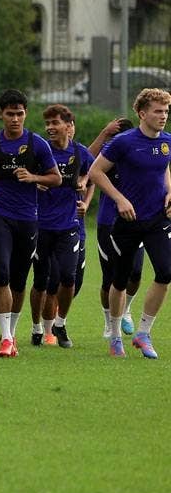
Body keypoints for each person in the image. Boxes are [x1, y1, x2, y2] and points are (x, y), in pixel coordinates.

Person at [0, 89, 60, 358]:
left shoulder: (37, 144)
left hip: (29, 219)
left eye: (19, 114)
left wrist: (33, 177)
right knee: (1, 274)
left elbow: (56, 178)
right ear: (1, 115)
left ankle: (12, 332)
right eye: (10, 114)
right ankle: (5, 338)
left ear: (25, 114)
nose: (15, 119)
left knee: (19, 281)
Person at [87, 88, 171, 359]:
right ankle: (114, 336)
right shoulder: (123, 142)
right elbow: (95, 172)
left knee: (166, 272)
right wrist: (119, 199)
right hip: (126, 220)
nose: (163, 116)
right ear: (142, 113)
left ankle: (144, 334)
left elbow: (164, 170)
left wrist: (170, 192)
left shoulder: (167, 142)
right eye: (158, 111)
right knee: (120, 280)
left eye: (166, 111)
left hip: (157, 219)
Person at [28, 105, 93, 348]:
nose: (50, 128)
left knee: (68, 277)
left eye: (55, 123)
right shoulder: (40, 151)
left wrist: (85, 197)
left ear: (69, 126)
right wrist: (36, 184)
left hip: (69, 225)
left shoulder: (80, 152)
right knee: (42, 281)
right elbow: (23, 179)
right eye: (47, 124)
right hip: (41, 225)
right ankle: (36, 327)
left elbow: (93, 174)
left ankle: (60, 323)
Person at [88, 117, 143, 338]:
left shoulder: (138, 153)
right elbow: (86, 162)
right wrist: (104, 132)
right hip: (107, 222)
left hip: (136, 220)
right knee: (110, 276)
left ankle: (126, 309)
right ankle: (110, 322)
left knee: (136, 273)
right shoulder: (106, 154)